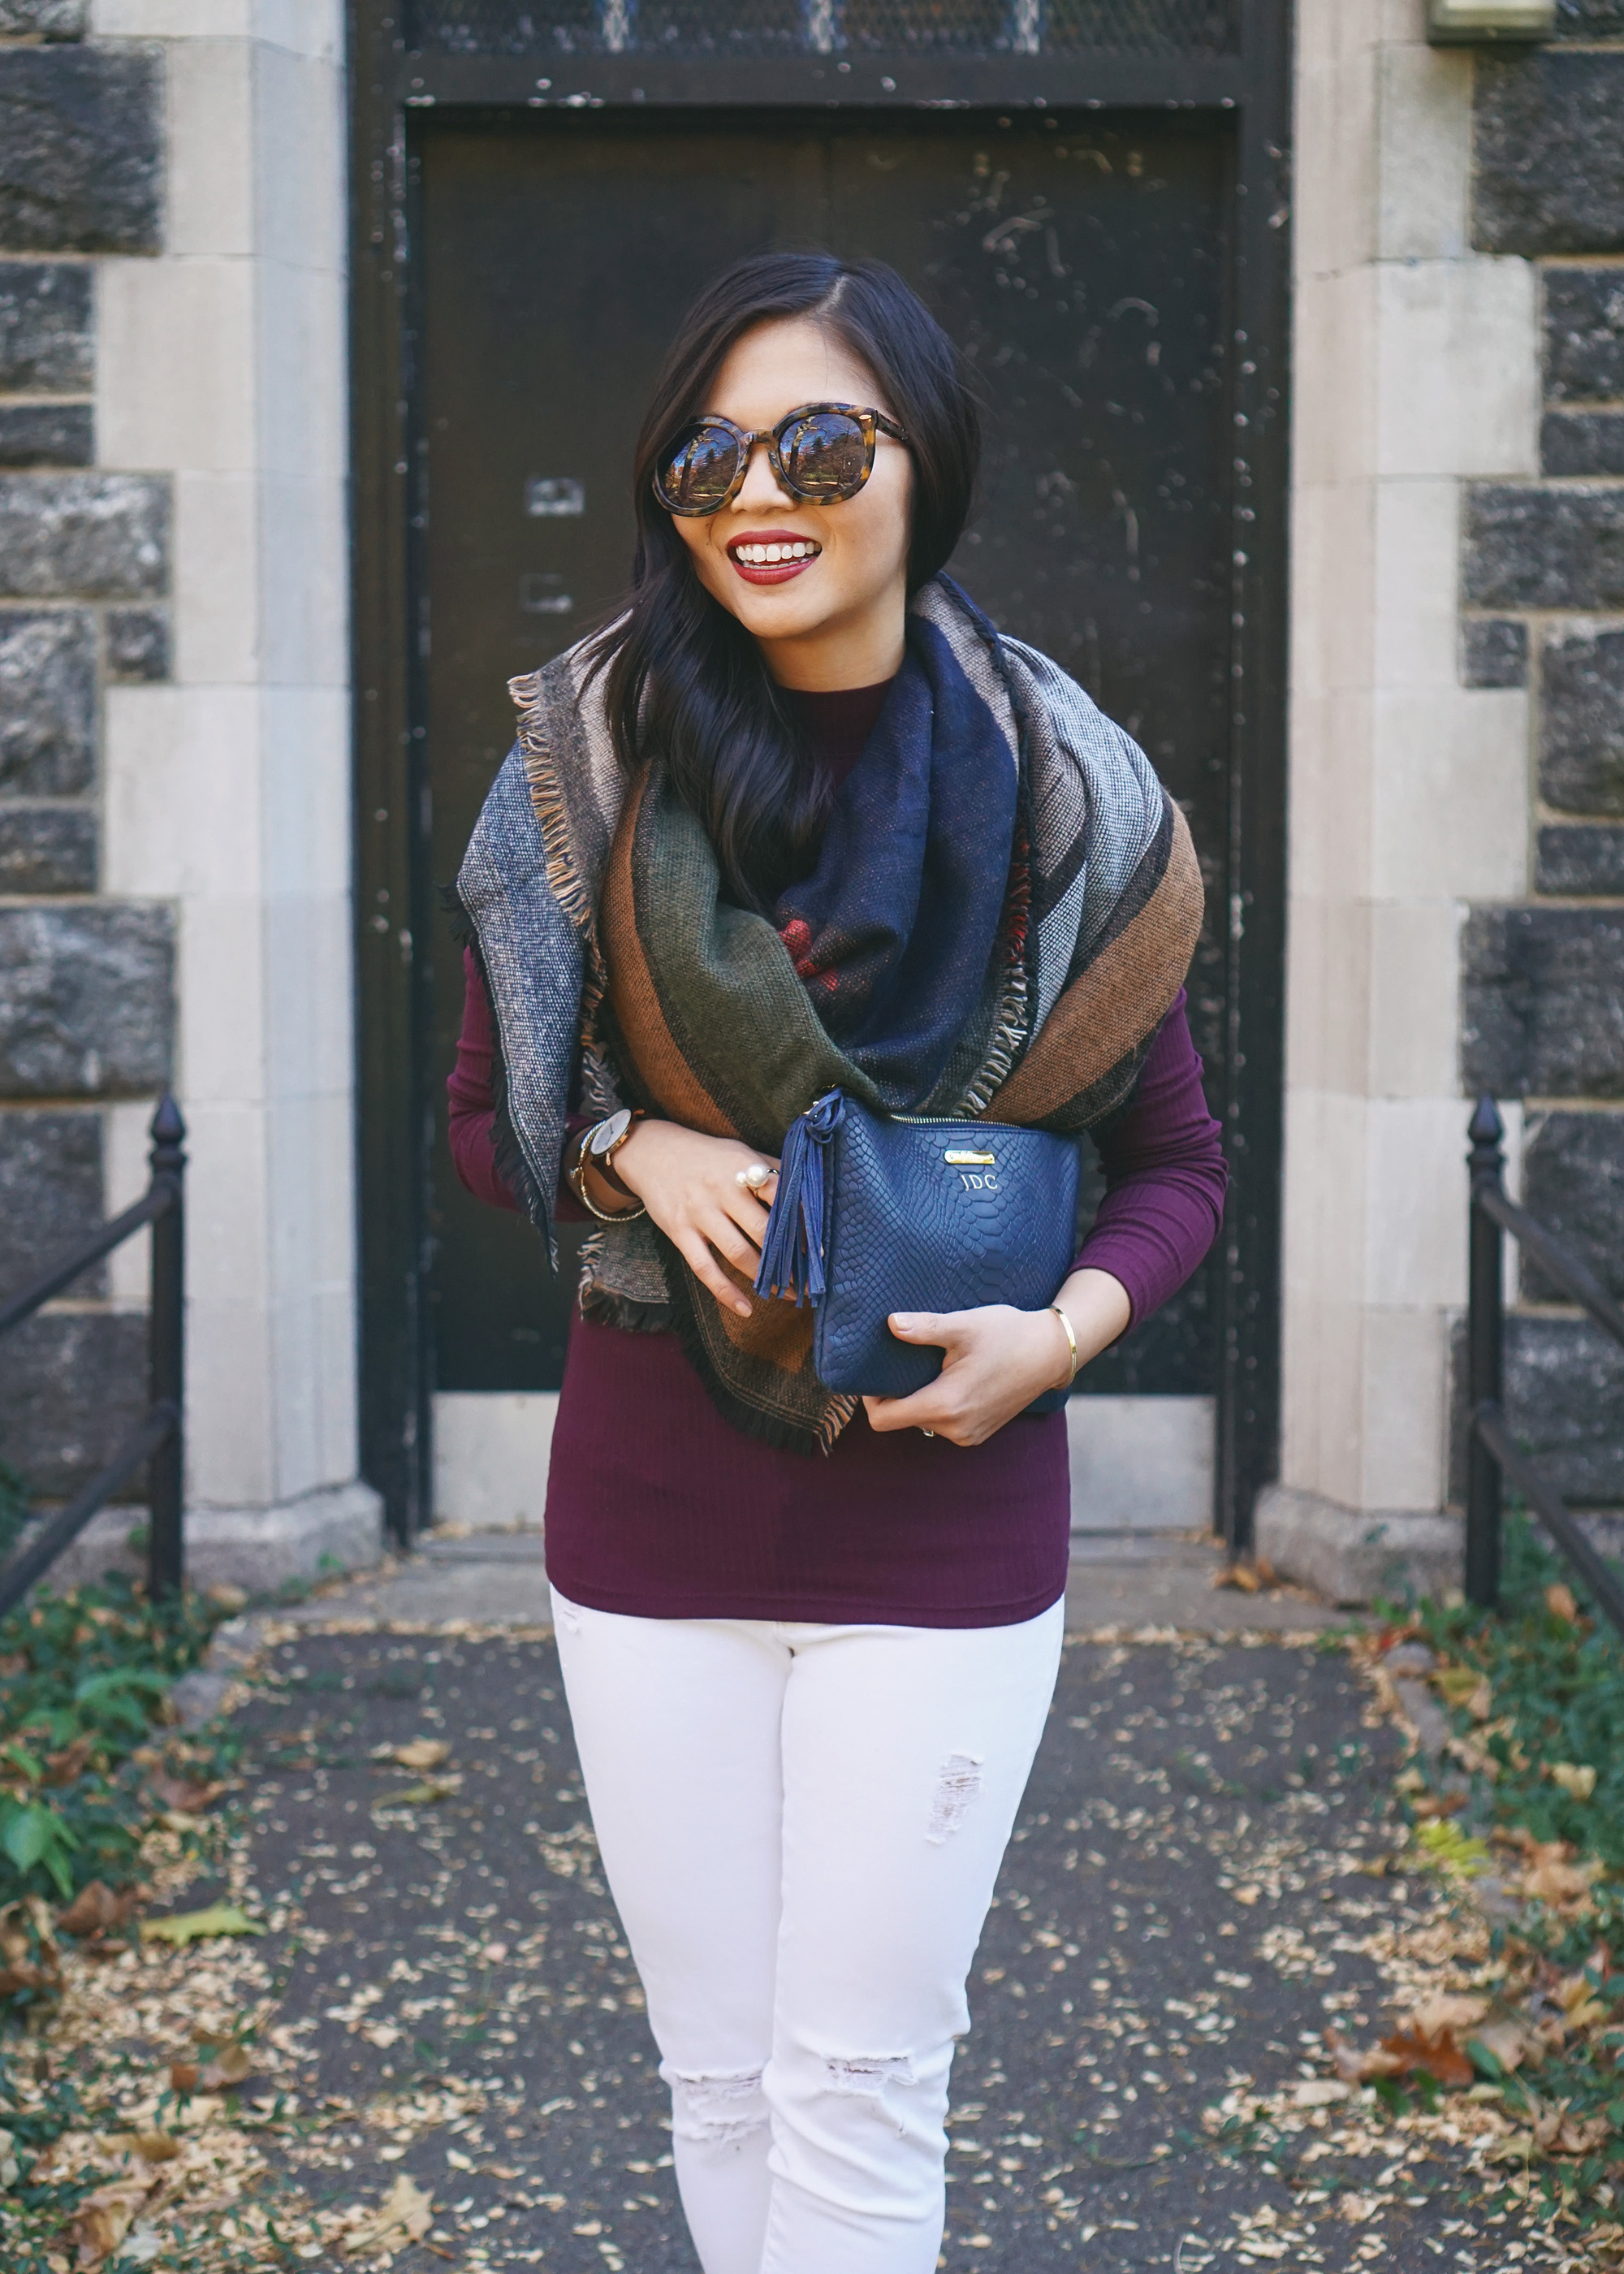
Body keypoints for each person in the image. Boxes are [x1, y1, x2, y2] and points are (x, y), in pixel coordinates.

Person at [447, 250, 1226, 2274]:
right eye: (708, 449)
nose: (753, 490)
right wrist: (631, 1138)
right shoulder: (587, 770)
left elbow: (1176, 1168)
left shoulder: (1071, 797)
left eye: (816, 437)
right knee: (717, 2079)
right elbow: (484, 1115)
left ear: (921, 463)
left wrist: (1052, 1337)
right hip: (646, 1521)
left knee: (864, 2077)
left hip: (944, 1530)